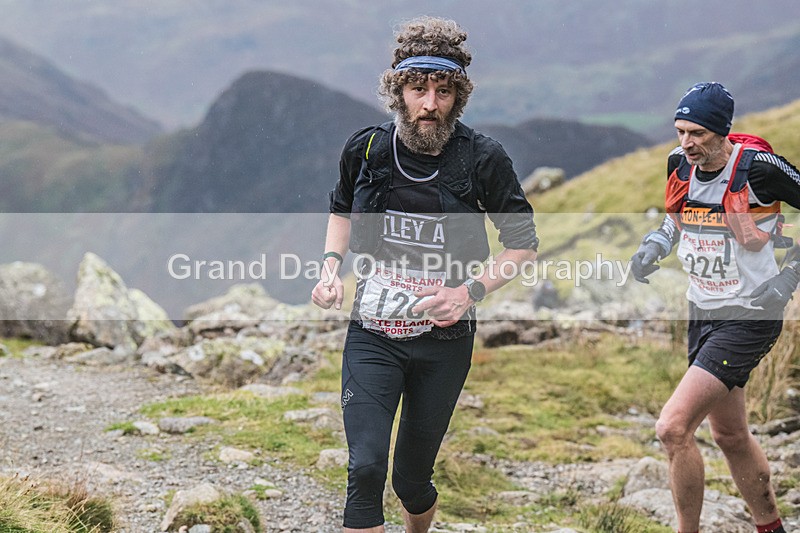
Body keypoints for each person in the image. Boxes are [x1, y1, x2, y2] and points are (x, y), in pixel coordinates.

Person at [310, 16, 538, 532]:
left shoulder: (483, 159)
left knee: (411, 481)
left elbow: (523, 244)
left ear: (459, 95)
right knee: (365, 470)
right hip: (373, 334)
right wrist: (330, 269)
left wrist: (469, 291)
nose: (430, 104)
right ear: (398, 92)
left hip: (444, 341)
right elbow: (341, 210)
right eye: (418, 89)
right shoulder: (366, 149)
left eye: (443, 91)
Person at [631, 81, 800, 533]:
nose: (686, 143)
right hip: (702, 309)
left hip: (750, 313)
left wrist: (786, 281)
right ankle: (772, 527)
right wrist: (654, 245)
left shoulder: (760, 169)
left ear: (722, 131)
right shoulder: (678, 163)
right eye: (680, 131)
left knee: (672, 427)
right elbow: (675, 217)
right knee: (729, 434)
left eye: (698, 134)